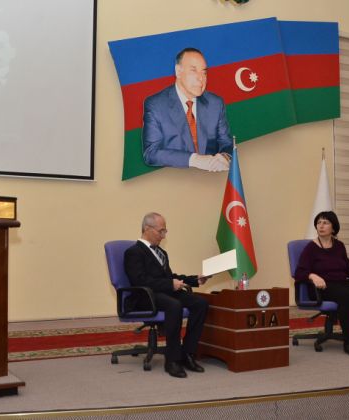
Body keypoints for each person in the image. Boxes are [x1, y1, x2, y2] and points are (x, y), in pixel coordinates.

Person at [123, 212, 210, 378]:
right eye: (160, 231)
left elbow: (169, 277)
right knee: (174, 305)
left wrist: (194, 280)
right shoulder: (133, 252)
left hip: (163, 293)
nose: (163, 236)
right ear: (147, 229)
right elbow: (139, 280)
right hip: (145, 297)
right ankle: (172, 360)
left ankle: (188, 353)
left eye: (165, 231)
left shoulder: (161, 252)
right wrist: (170, 284)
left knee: (200, 303)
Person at [295, 211, 349, 357]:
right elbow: (299, 272)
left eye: (325, 223)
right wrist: (312, 275)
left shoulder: (339, 246)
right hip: (321, 287)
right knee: (346, 296)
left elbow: (347, 268)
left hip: (341, 283)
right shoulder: (310, 248)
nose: (321, 226)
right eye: (318, 223)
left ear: (333, 227)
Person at [142, 47, 233, 172]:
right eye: (193, 71)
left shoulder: (216, 103)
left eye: (204, 72)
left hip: (211, 178)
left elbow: (226, 142)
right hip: (177, 179)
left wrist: (224, 157)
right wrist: (194, 160)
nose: (201, 78)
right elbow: (151, 153)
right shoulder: (156, 105)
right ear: (178, 72)